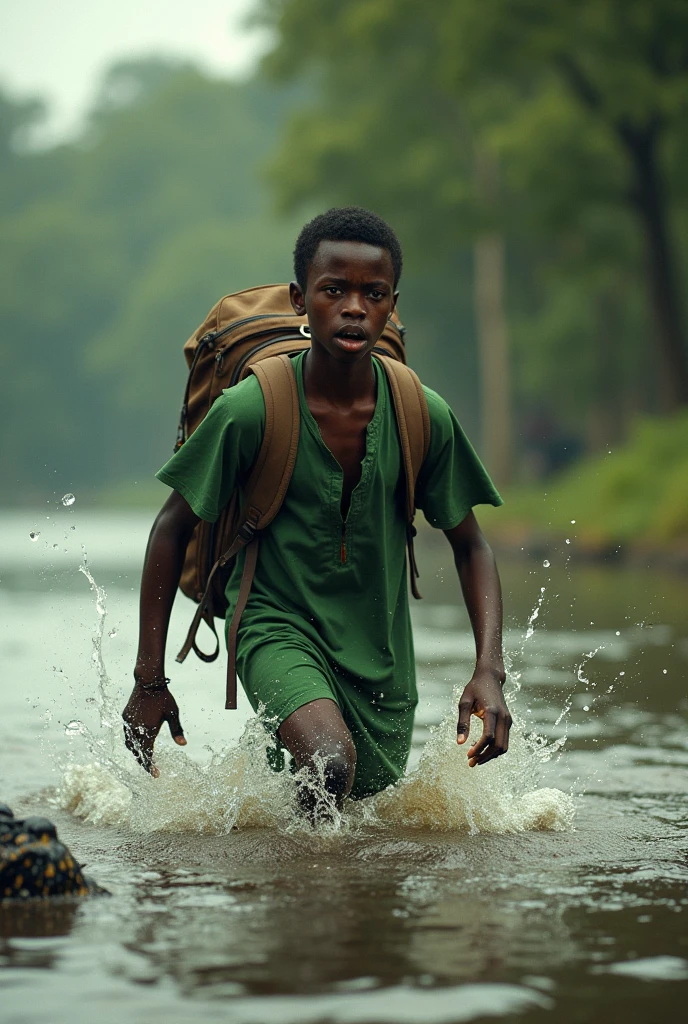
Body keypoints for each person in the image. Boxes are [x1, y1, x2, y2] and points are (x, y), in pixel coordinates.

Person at [123, 207, 511, 812]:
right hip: (273, 625)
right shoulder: (250, 410)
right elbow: (173, 527)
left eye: (372, 294)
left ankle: (297, 894)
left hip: (380, 654)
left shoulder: (421, 413)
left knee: (362, 813)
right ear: (302, 300)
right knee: (329, 764)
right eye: (335, 290)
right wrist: (150, 678)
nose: (354, 307)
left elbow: (471, 545)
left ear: (390, 306)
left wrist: (490, 670)